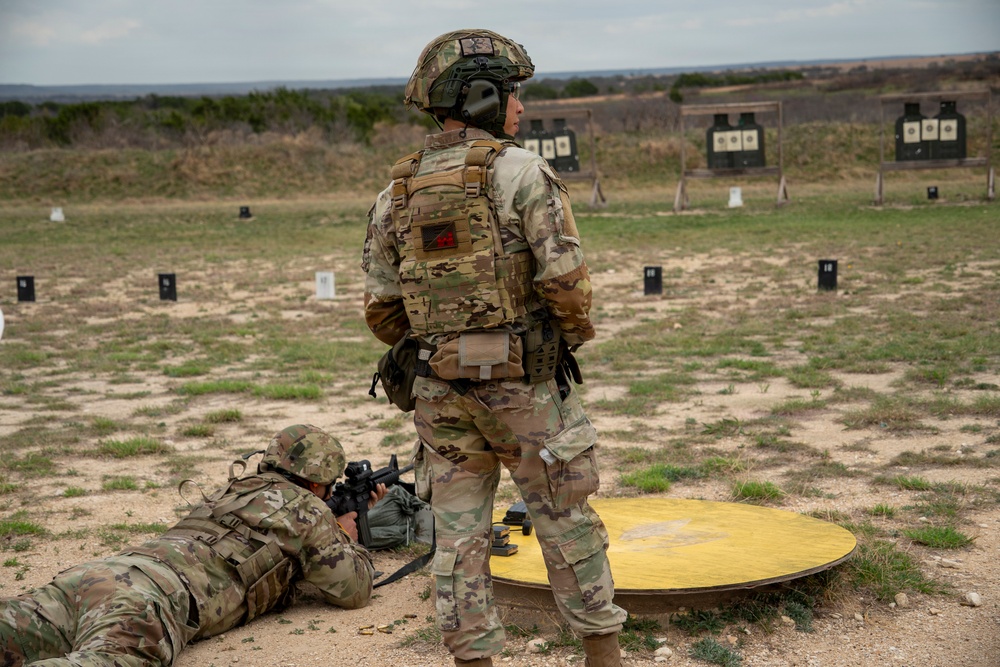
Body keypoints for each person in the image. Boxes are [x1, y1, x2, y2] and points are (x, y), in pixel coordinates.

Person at [362, 28, 627, 667]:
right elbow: (565, 284)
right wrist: (557, 344)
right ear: (481, 97)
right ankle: (603, 655)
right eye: (512, 94)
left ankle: (473, 660)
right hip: (525, 389)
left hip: (438, 392)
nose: (521, 108)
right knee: (565, 518)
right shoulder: (524, 173)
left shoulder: (392, 195)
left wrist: (443, 346)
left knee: (457, 539)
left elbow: (381, 310)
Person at [0, 424, 385, 667]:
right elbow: (352, 590)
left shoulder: (233, 490)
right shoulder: (307, 510)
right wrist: (343, 538)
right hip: (151, 599)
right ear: (317, 486)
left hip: (96, 576)